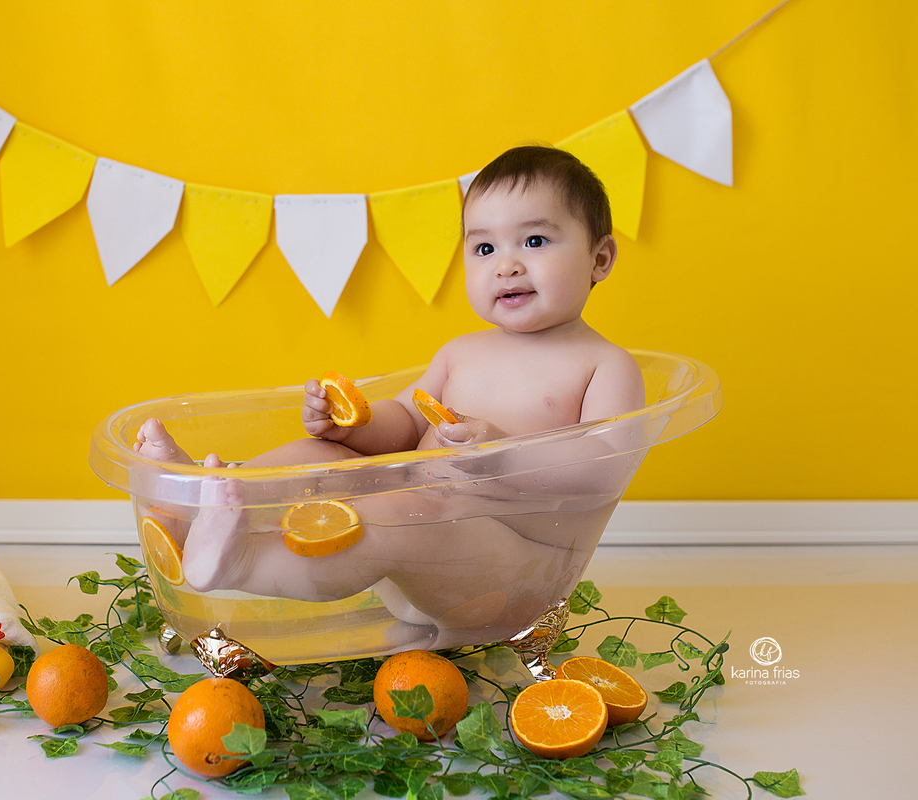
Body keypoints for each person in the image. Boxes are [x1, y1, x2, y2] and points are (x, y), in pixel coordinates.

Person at [134, 146, 645, 647]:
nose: (506, 265)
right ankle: (206, 499)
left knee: (409, 508)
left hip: (511, 577)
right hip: (409, 548)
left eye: (534, 241)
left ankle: (241, 561)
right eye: (484, 248)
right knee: (325, 457)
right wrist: (352, 428)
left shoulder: (603, 365)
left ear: (599, 258)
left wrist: (497, 452)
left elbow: (604, 465)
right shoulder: (460, 352)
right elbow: (404, 421)